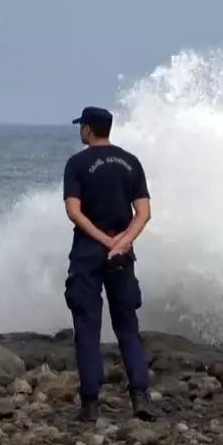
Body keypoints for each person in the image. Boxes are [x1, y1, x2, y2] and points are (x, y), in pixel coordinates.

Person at [62, 106, 156, 423]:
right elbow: (143, 213)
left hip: (89, 252)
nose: (81, 131)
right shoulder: (131, 162)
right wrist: (123, 241)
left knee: (87, 327)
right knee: (127, 326)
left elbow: (74, 212)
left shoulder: (76, 164)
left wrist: (103, 241)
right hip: (123, 253)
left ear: (88, 129)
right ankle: (139, 396)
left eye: (82, 127)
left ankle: (90, 403)